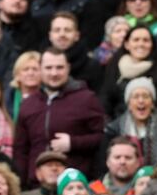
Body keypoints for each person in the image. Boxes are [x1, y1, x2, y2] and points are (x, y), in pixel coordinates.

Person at [13, 48, 105, 186]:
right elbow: (20, 150)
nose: (54, 73)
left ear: (68, 68)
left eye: (59, 67)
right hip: (36, 186)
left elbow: (101, 138)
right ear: (41, 70)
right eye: (48, 68)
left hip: (74, 184)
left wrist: (73, 143)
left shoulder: (86, 99)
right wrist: (21, 183)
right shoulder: (28, 104)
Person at [100, 80, 157, 173]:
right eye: (136, 97)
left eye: (146, 96)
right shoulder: (113, 130)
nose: (141, 101)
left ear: (152, 103)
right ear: (129, 104)